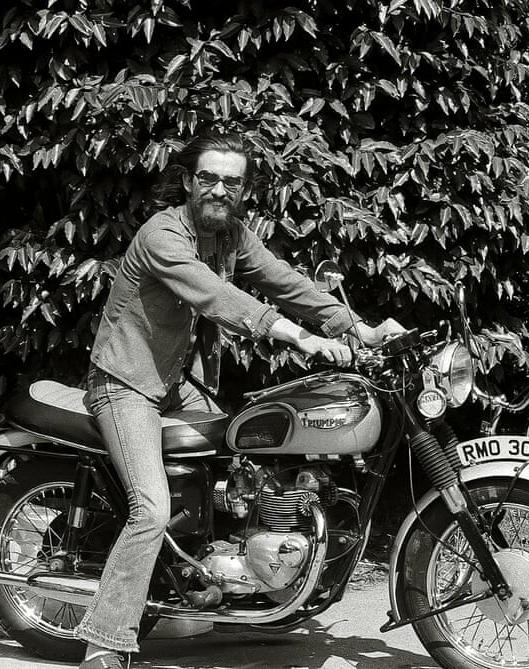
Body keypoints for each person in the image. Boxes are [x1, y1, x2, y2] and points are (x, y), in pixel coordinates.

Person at [75, 131, 405, 669]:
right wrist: (299, 337)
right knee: (151, 509)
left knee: (243, 465)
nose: (219, 190)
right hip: (125, 383)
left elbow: (286, 283)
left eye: (232, 181)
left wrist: (359, 329)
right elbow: (217, 296)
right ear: (188, 181)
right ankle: (104, 641)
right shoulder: (162, 236)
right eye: (208, 178)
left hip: (174, 382)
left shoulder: (232, 235)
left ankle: (229, 582)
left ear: (244, 189)